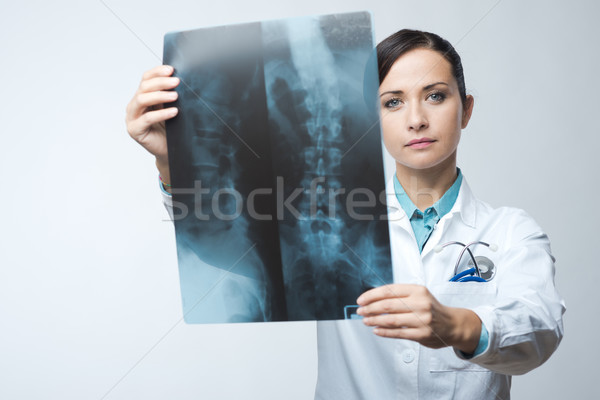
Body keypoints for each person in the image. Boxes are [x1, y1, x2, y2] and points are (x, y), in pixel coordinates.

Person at [126, 28, 565, 399]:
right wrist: (172, 160)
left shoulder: (511, 231)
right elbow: (219, 241)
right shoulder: (330, 218)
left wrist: (455, 324)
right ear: (368, 118)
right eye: (392, 101)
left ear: (465, 109)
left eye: (435, 96)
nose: (416, 119)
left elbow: (540, 328)